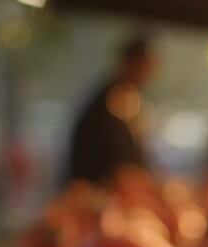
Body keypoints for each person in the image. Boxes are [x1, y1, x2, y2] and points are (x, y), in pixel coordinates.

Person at [65, 35, 156, 185]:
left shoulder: (126, 95)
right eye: (144, 66)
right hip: (96, 187)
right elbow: (114, 155)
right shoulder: (111, 99)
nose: (148, 76)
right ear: (130, 63)